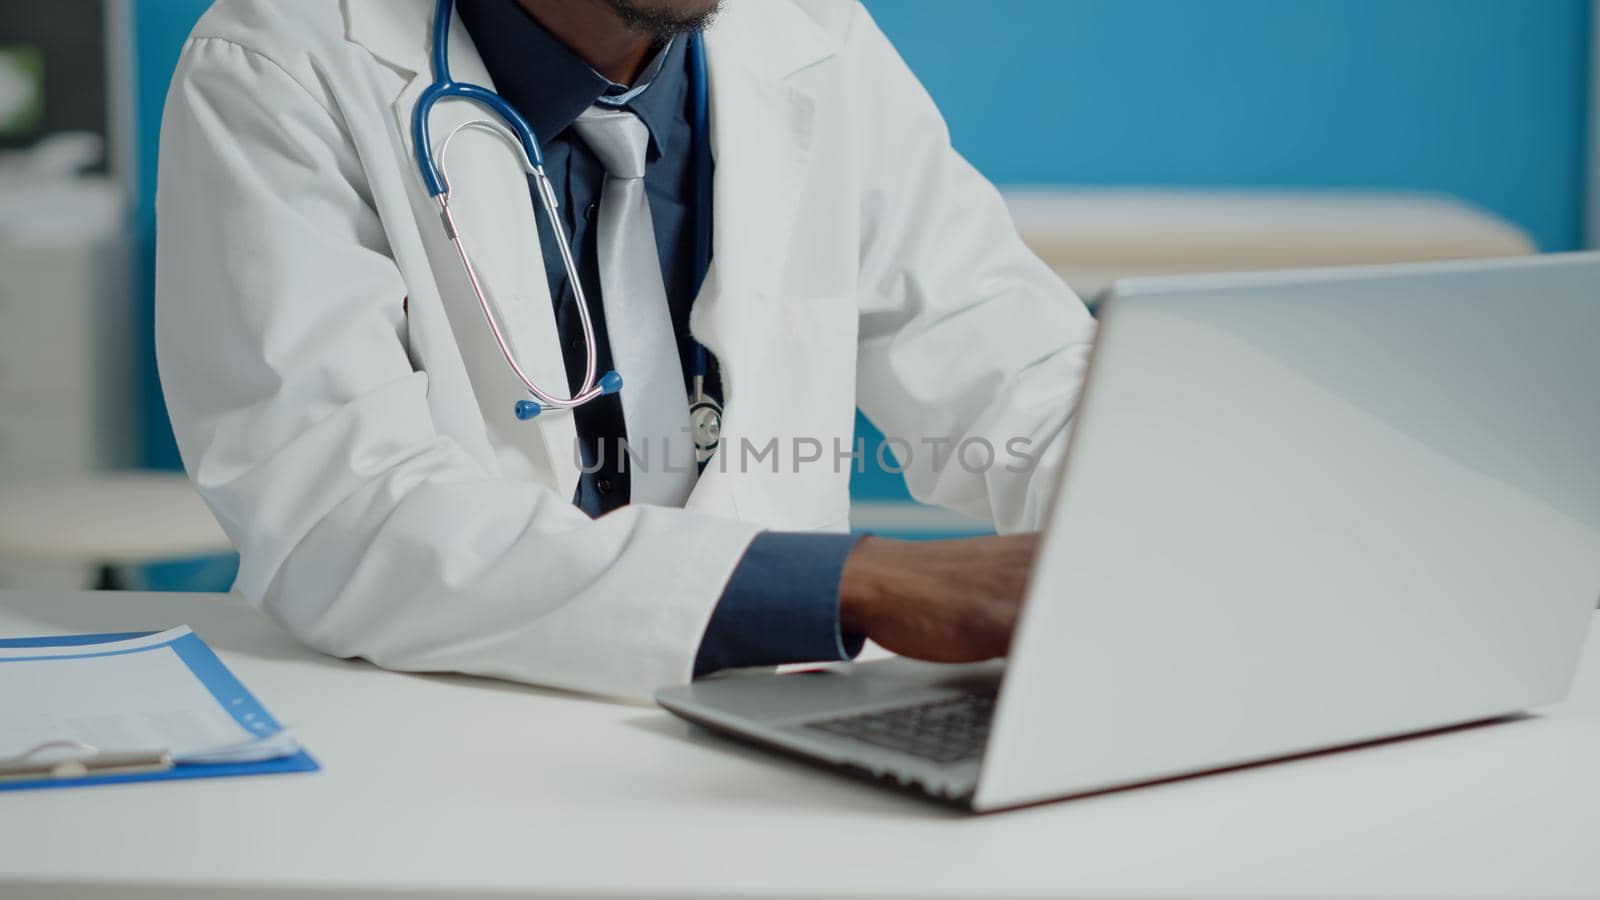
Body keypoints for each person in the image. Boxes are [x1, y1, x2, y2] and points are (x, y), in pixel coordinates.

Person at [155, 0, 1097, 701]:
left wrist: (1145, 531)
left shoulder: (813, 37)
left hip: (783, 735)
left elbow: (1015, 370)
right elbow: (345, 520)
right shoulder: (278, 65)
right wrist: (849, 583)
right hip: (456, 738)